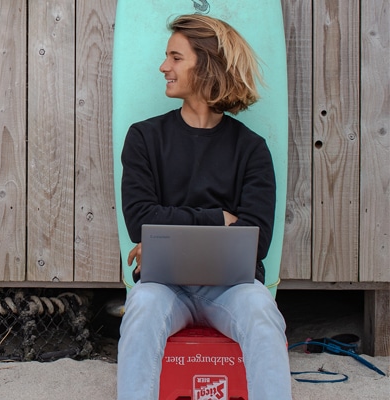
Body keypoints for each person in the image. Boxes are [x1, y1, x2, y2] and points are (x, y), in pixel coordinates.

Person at [116, 15, 292, 399]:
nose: (164, 67)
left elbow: (256, 240)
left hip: (231, 289)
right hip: (164, 287)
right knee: (142, 307)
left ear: (206, 63)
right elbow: (140, 219)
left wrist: (170, 231)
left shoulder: (251, 149)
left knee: (263, 312)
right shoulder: (145, 138)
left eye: (175, 58)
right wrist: (219, 219)